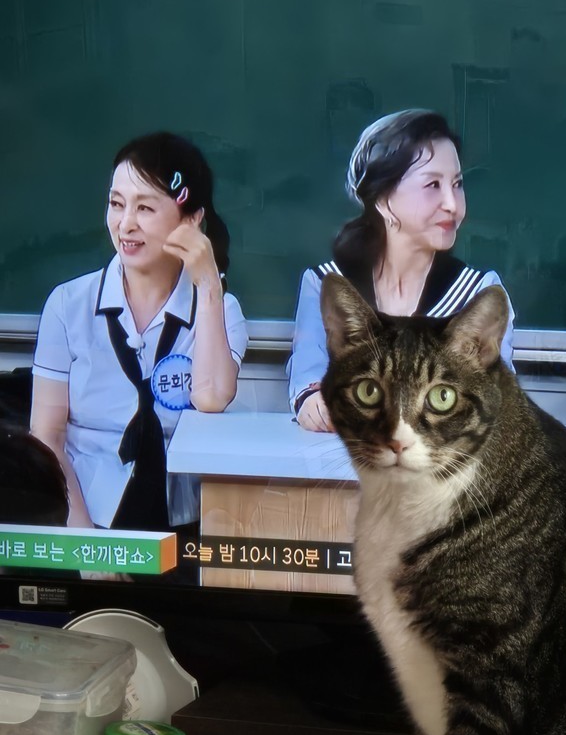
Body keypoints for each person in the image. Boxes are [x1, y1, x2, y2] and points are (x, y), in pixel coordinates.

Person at [30, 132, 248, 534]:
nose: (125, 224)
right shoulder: (67, 305)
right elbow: (47, 436)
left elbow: (211, 397)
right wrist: (85, 543)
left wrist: (208, 284)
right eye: (116, 204)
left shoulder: (221, 310)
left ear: (191, 219)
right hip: (84, 515)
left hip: (187, 521)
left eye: (145, 207)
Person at [287, 109, 517, 431]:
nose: (452, 204)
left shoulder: (476, 292)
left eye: (457, 184)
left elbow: (497, 402)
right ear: (383, 199)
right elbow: (308, 377)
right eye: (433, 185)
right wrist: (312, 400)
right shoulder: (327, 282)